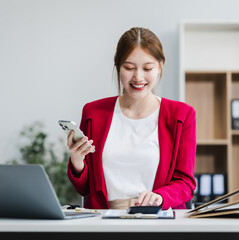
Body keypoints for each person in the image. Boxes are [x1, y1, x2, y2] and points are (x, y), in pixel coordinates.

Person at [66, 27, 196, 210]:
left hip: (158, 220)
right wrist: (77, 161)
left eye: (147, 68)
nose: (138, 77)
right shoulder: (93, 113)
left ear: (160, 66)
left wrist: (160, 197)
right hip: (104, 220)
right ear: (118, 66)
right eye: (129, 67)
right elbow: (84, 188)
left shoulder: (182, 115)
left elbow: (186, 184)